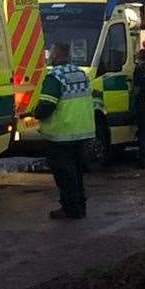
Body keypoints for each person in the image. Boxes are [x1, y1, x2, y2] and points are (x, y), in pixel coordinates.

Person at [31, 40, 94, 219]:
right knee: (77, 171)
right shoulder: (80, 73)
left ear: (57, 54)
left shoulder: (55, 77)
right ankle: (80, 206)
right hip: (81, 131)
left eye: (51, 52)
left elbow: (47, 106)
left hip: (62, 134)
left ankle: (70, 208)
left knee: (64, 174)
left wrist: (34, 112)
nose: (50, 55)